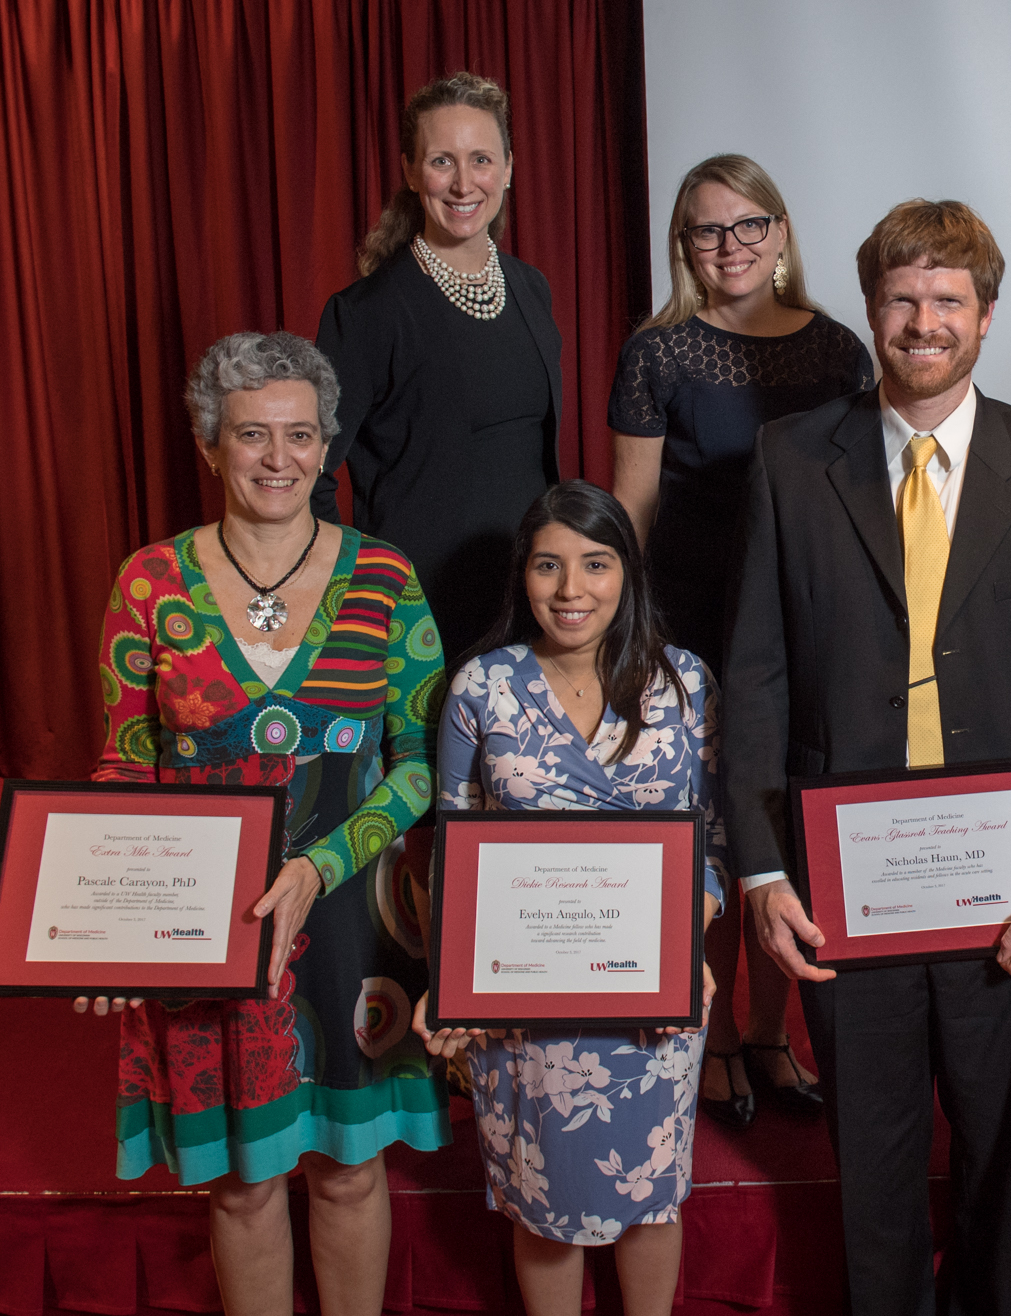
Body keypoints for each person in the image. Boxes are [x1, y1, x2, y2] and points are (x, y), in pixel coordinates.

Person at [721, 199, 1011, 1315]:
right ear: (870, 309)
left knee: (1004, 1173)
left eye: (948, 298)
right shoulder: (789, 460)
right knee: (877, 1177)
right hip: (843, 898)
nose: (923, 320)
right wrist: (762, 870)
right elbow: (754, 673)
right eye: (901, 296)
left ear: (986, 317)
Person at [81, 331, 449, 1315]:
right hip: (207, 925)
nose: (277, 457)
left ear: (327, 445)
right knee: (243, 1185)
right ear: (211, 445)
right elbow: (121, 765)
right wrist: (105, 932)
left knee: (347, 1169)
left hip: (350, 918)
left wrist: (320, 865)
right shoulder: (148, 584)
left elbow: (420, 769)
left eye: (299, 434)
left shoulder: (386, 578)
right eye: (252, 435)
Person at [412, 480, 724, 1316]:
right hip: (522, 994)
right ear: (524, 575)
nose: (570, 589)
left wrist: (686, 946)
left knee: (651, 1198)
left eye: (595, 563)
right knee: (542, 1206)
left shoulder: (685, 682)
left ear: (629, 571)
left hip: (650, 992)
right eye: (548, 565)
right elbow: (452, 847)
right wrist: (449, 980)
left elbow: (711, 843)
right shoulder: (481, 686)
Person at [610, 153, 870, 1128]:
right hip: (690, 624)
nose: (729, 246)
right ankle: (719, 1035)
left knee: (795, 830)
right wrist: (625, 648)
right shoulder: (659, 352)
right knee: (717, 833)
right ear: (684, 245)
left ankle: (771, 1033)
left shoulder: (841, 349)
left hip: (808, 619)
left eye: (747, 225)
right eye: (706, 230)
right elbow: (630, 513)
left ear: (780, 233)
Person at [314, 71, 564, 663]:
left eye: (480, 159)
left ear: (508, 167)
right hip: (418, 619)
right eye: (441, 161)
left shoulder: (532, 290)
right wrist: (365, 600)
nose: (462, 183)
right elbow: (312, 477)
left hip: (531, 605)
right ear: (408, 172)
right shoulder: (366, 314)